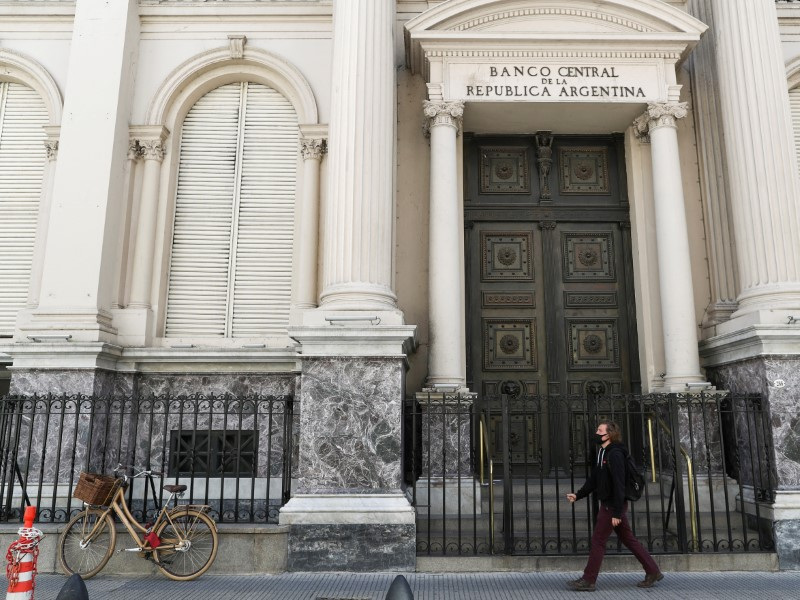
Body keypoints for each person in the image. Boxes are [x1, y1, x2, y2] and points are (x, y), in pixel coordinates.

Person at [565, 420, 663, 592]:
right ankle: (653, 570)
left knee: (598, 540)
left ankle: (589, 580)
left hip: (612, 506)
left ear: (608, 434)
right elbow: (594, 479)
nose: (596, 432)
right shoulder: (603, 452)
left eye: (599, 430)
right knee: (628, 539)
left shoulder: (615, 454)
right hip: (610, 504)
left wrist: (617, 512)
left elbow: (619, 485)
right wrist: (578, 495)